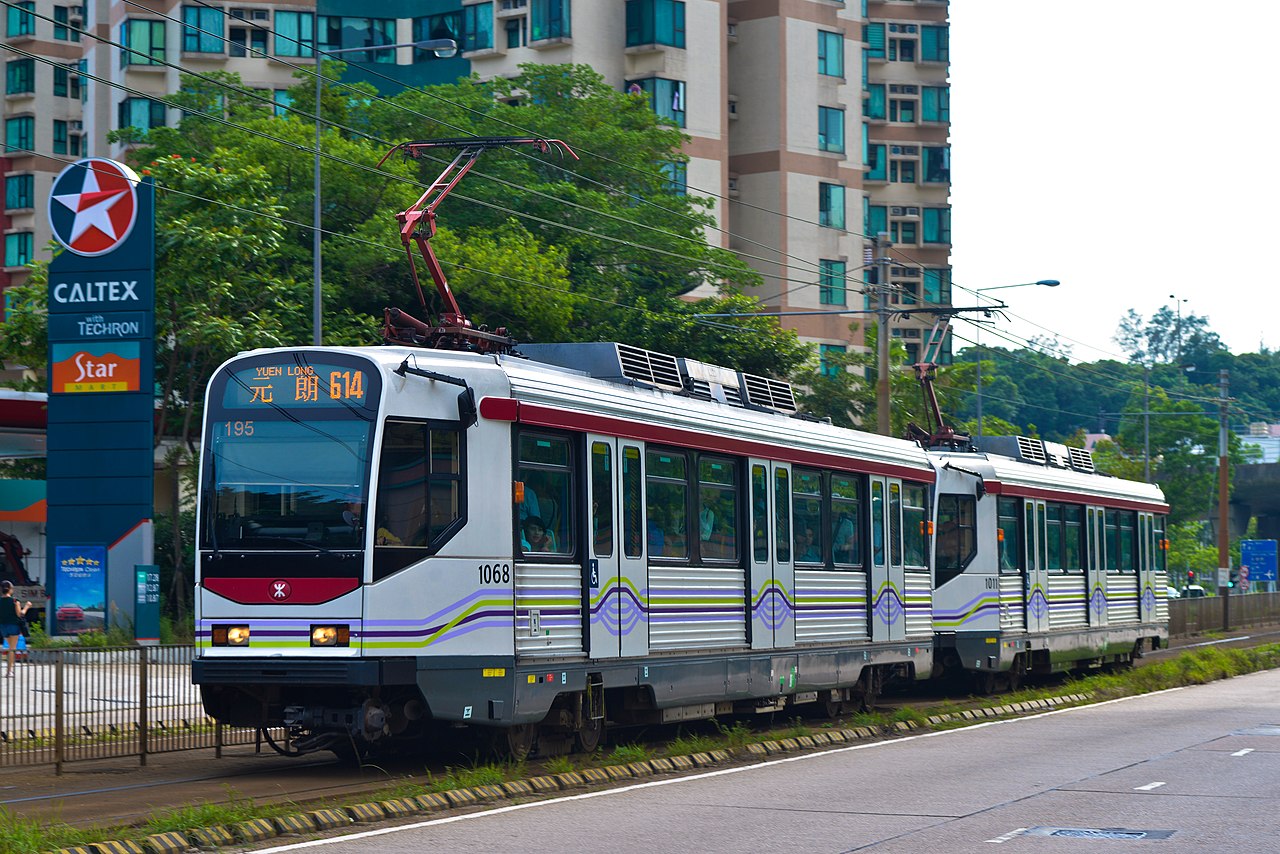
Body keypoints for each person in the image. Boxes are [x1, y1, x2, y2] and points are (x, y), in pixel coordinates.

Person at [0, 580, 32, 678]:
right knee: (12, 649)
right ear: (10, 589)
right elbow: (20, 614)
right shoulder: (15, 601)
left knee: (9, 648)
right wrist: (27, 607)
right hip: (13, 626)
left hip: (3, 627)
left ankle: (10, 670)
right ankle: (9, 671)